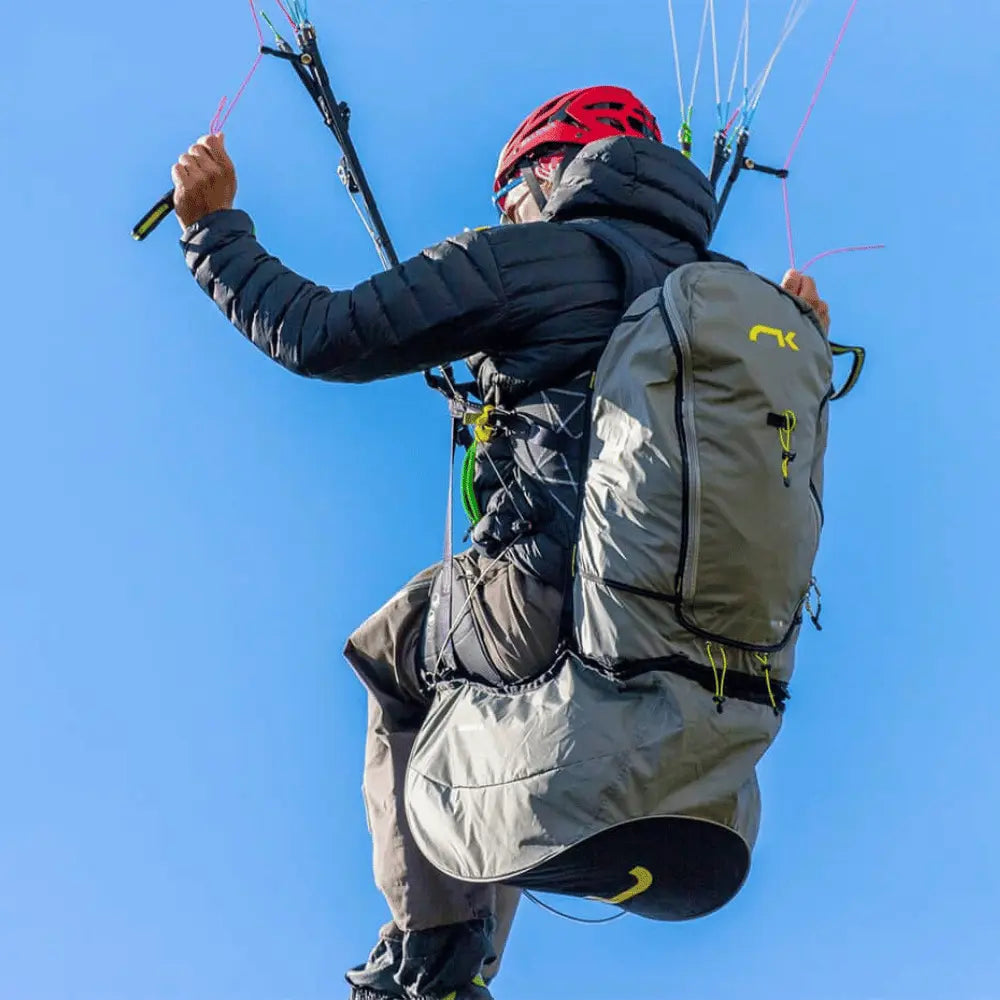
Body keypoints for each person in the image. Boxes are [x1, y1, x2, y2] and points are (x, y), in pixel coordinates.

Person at [170, 86, 830, 1000]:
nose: (509, 211)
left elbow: (321, 334)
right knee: (487, 690)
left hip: (546, 600)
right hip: (709, 650)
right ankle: (469, 937)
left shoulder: (537, 255)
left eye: (513, 191)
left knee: (395, 650)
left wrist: (212, 231)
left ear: (554, 168)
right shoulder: (741, 302)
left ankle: (433, 948)